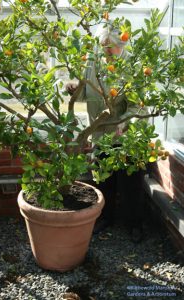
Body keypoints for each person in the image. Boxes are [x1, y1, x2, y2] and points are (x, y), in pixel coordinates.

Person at [66, 21, 146, 242]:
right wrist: (72, 87)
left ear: (123, 45)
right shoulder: (92, 65)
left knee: (131, 183)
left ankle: (134, 224)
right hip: (101, 134)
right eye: (104, 46)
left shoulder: (132, 67)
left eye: (113, 47)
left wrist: (124, 122)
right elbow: (83, 94)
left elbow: (138, 105)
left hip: (126, 134)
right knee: (104, 180)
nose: (108, 52)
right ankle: (105, 218)